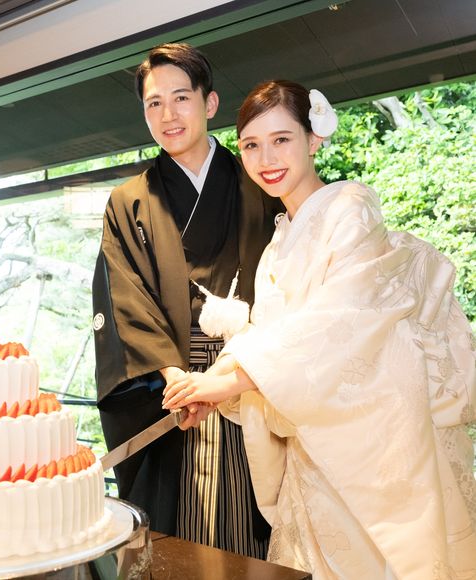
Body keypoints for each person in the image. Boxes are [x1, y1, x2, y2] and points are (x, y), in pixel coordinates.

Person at [163, 80, 476, 578]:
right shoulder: (277, 244)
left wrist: (226, 381)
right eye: (251, 145)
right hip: (312, 449)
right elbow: (270, 338)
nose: (266, 158)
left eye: (281, 139)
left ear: (314, 139)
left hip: (370, 441)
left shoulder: (350, 207)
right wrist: (212, 385)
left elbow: (340, 323)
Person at [92, 43, 281, 557]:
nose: (168, 115)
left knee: (251, 525)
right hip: (170, 385)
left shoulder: (260, 182)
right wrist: (174, 375)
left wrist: (226, 377)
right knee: (180, 535)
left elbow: (287, 283)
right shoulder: (128, 201)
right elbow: (124, 296)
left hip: (249, 376)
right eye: (154, 103)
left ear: (209, 102)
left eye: (181, 98)